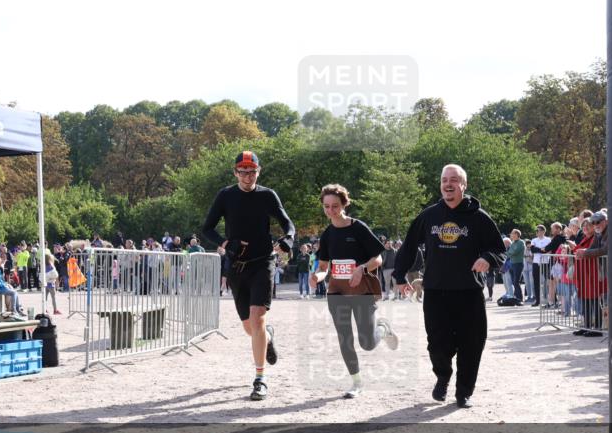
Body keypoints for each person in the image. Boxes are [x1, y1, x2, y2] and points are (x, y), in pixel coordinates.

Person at [393, 164, 506, 408]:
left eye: (454, 180)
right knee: (437, 343)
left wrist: (487, 258)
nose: (448, 184)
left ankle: (463, 391)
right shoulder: (429, 215)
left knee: (472, 343)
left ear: (463, 186)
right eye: (445, 179)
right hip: (436, 291)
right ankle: (443, 377)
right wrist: (400, 276)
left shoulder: (478, 217)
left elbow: (498, 249)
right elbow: (409, 246)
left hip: (469, 292)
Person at [201, 150, 295, 401]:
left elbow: (288, 223)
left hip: (263, 262)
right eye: (243, 171)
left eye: (252, 171)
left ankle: (260, 379)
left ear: (258, 172)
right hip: (237, 267)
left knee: (257, 317)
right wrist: (224, 244)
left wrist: (288, 239)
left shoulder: (267, 195)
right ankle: (268, 337)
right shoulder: (226, 195)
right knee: (248, 327)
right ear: (235, 172)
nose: (247, 176)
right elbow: (206, 228)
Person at [309, 184, 399, 399]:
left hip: (361, 291)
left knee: (366, 343)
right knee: (344, 338)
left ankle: (383, 329)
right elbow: (324, 267)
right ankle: (356, 382)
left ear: (344, 204)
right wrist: (317, 277)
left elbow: (378, 258)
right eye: (326, 206)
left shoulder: (358, 228)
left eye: (335, 206)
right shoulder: (328, 234)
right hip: (337, 292)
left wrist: (361, 268)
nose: (331, 211)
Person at [506, 230, 525, 302]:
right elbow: (508, 253)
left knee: (516, 281)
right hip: (512, 264)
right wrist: (510, 253)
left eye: (512, 234)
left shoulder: (521, 242)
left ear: (516, 234)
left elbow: (514, 252)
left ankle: (519, 298)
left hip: (518, 264)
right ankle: (516, 296)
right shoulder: (513, 243)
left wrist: (510, 253)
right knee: (514, 282)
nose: (511, 235)